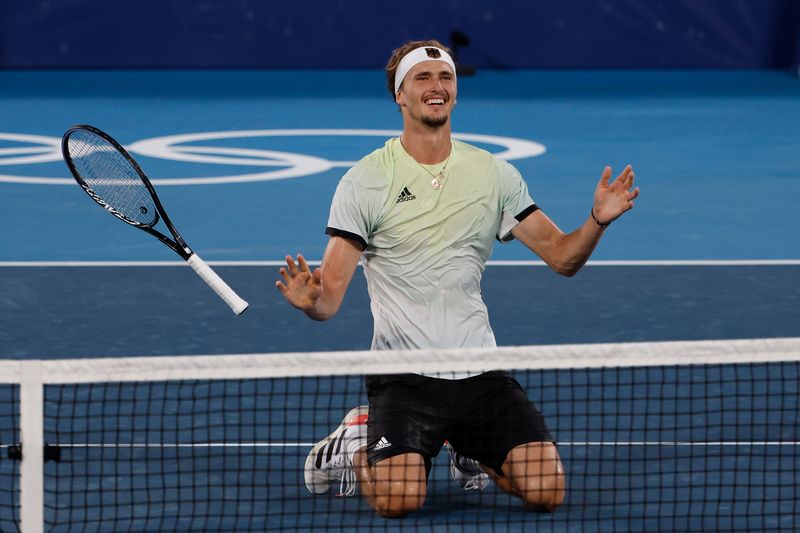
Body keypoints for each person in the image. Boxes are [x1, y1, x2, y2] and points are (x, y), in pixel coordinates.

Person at [276, 39, 639, 517]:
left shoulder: (494, 174)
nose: (436, 87)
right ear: (399, 95)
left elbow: (562, 258)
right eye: (422, 78)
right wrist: (310, 302)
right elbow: (331, 299)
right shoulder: (364, 181)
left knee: (546, 492)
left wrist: (596, 221)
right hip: (403, 379)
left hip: (480, 374)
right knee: (399, 502)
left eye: (444, 77)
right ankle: (352, 442)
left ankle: (467, 445)